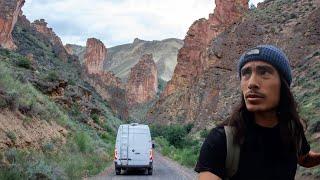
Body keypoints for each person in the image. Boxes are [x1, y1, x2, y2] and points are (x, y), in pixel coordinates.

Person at [194, 45, 320, 180]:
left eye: (264, 72)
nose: (252, 83)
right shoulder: (221, 140)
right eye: (246, 73)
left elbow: (304, 158)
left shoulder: (292, 129)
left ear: (283, 85)